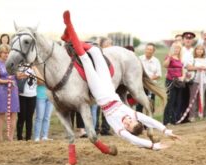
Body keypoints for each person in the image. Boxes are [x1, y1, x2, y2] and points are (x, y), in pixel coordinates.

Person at [62, 11, 180, 150]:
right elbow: (148, 120)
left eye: (128, 125)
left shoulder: (119, 128)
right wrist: (166, 131)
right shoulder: (130, 114)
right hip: (109, 87)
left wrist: (154, 146)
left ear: (126, 130)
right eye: (131, 121)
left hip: (99, 92)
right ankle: (69, 39)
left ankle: (69, 26)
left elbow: (136, 141)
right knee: (95, 51)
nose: (127, 121)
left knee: (86, 59)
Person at [0, 44, 19, 141]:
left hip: (13, 89)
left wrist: (22, 74)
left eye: (8, 53)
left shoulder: (13, 63)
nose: (6, 55)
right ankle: (0, 138)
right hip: (1, 90)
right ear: (0, 53)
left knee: (14, 113)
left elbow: (17, 76)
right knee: (1, 113)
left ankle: (10, 137)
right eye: (4, 53)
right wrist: (7, 81)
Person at [16, 66, 42, 141]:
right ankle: (19, 137)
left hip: (33, 95)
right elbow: (18, 76)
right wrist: (27, 74)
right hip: (22, 95)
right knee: (21, 117)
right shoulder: (21, 67)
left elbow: (40, 82)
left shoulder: (35, 68)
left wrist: (35, 70)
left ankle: (28, 137)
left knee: (29, 117)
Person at [163, 42, 185, 125]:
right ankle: (166, 120)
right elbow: (165, 65)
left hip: (178, 82)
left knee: (177, 101)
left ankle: (174, 119)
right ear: (172, 49)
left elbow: (182, 69)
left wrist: (182, 77)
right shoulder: (169, 57)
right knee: (170, 100)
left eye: (178, 48)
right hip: (170, 81)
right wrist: (169, 56)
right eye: (175, 48)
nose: (176, 50)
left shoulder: (180, 58)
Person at [137, 43, 162, 113]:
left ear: (153, 51)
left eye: (151, 50)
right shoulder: (139, 59)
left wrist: (149, 78)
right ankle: (139, 121)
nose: (149, 51)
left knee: (151, 104)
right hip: (141, 85)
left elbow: (159, 75)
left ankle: (150, 120)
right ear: (145, 50)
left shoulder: (156, 61)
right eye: (147, 49)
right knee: (140, 104)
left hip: (151, 85)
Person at [188, 45, 206, 121]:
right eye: (198, 49)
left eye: (201, 49)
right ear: (195, 50)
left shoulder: (205, 59)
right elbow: (189, 67)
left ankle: (200, 114)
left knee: (201, 97)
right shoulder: (193, 59)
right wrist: (198, 68)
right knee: (193, 98)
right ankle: (192, 116)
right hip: (195, 81)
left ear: (203, 51)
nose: (199, 51)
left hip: (203, 81)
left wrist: (203, 68)